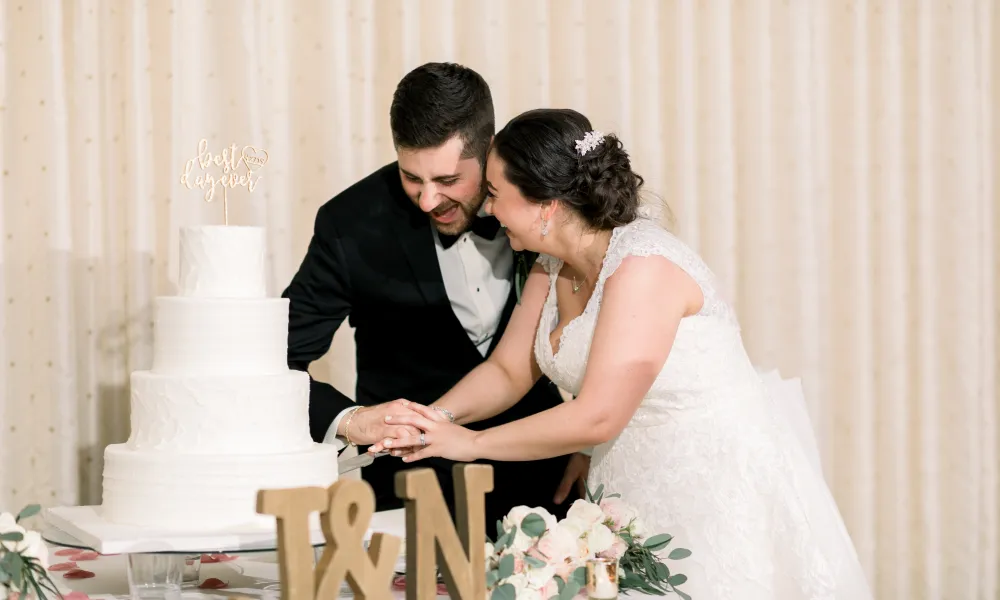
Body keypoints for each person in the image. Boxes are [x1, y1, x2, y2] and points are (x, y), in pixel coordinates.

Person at [369, 108, 874, 598]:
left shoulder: (643, 267)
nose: (489, 209)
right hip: (629, 486)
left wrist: (470, 444)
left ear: (545, 204)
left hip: (712, 487)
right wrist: (431, 420)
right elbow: (506, 371)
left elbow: (597, 418)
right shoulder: (552, 263)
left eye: (497, 194)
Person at [281, 64, 588, 529]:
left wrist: (589, 442)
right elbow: (273, 361)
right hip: (409, 497)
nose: (427, 201)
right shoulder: (350, 224)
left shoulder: (541, 202)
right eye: (411, 178)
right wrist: (350, 419)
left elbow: (603, 324)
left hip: (547, 482)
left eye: (447, 181)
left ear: (490, 151)